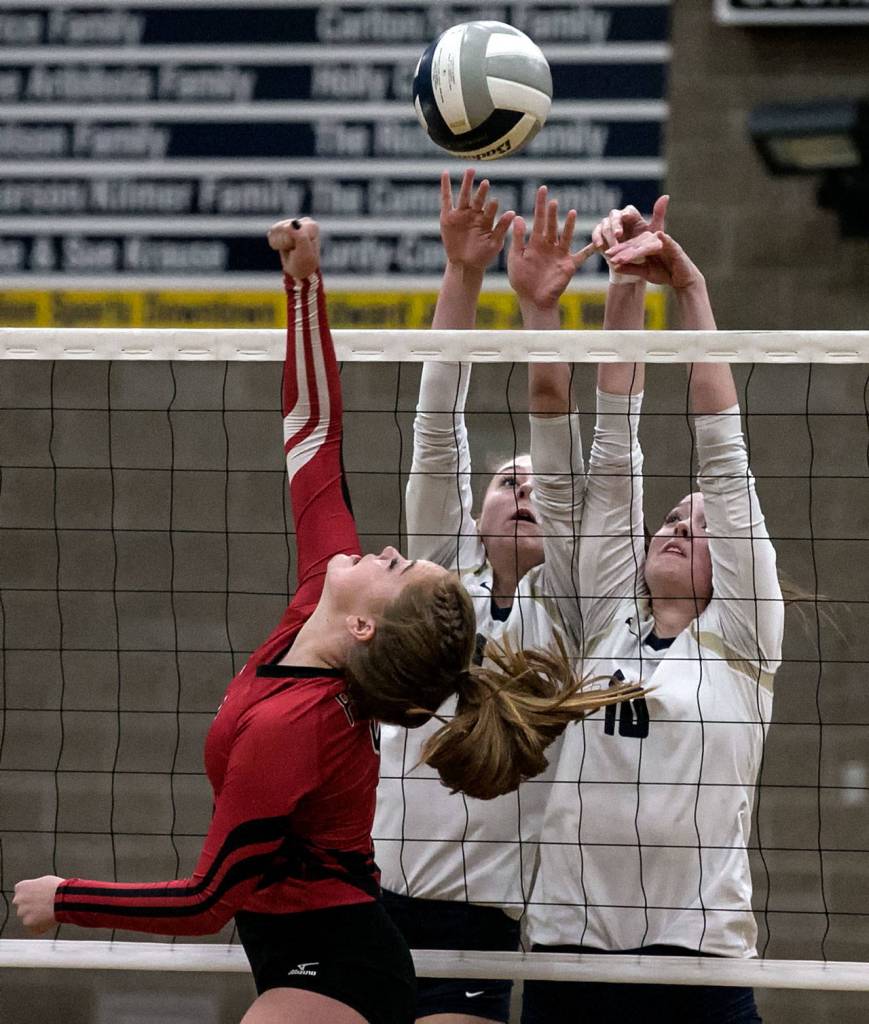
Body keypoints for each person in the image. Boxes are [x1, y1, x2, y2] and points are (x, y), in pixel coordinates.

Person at [13, 218, 639, 1024]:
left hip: (337, 960)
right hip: (300, 944)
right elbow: (311, 433)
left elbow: (205, 900)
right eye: (399, 555)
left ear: (367, 629)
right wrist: (304, 287)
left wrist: (68, 897)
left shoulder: (297, 726)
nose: (383, 548)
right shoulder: (321, 595)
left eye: (396, 567)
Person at [375, 172, 647, 1024]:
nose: (522, 490)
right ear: (475, 512)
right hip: (372, 899)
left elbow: (563, 434)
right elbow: (435, 428)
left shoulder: (571, 612)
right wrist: (460, 274)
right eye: (504, 482)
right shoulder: (432, 583)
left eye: (534, 484)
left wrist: (544, 315)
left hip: (480, 922)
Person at [521, 215, 784, 1024]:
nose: (675, 525)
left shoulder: (741, 638)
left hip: (693, 960)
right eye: (670, 517)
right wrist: (623, 286)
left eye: (698, 528)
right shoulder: (605, 619)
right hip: (570, 953)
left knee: (717, 474)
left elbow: (723, 456)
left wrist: (691, 290)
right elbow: (612, 450)